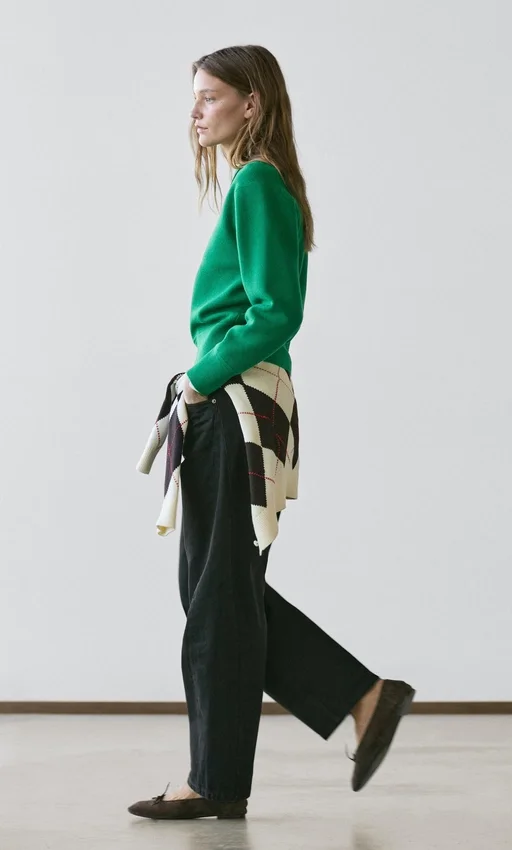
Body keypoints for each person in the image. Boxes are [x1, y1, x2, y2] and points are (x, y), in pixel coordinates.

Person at [128, 44, 415, 821]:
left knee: (217, 597)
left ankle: (216, 780)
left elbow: (275, 312)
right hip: (243, 402)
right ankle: (361, 699)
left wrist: (199, 377)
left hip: (233, 403)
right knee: (219, 591)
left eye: (209, 96)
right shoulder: (264, 184)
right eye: (194, 97)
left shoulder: (257, 182)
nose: (196, 112)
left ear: (251, 103)